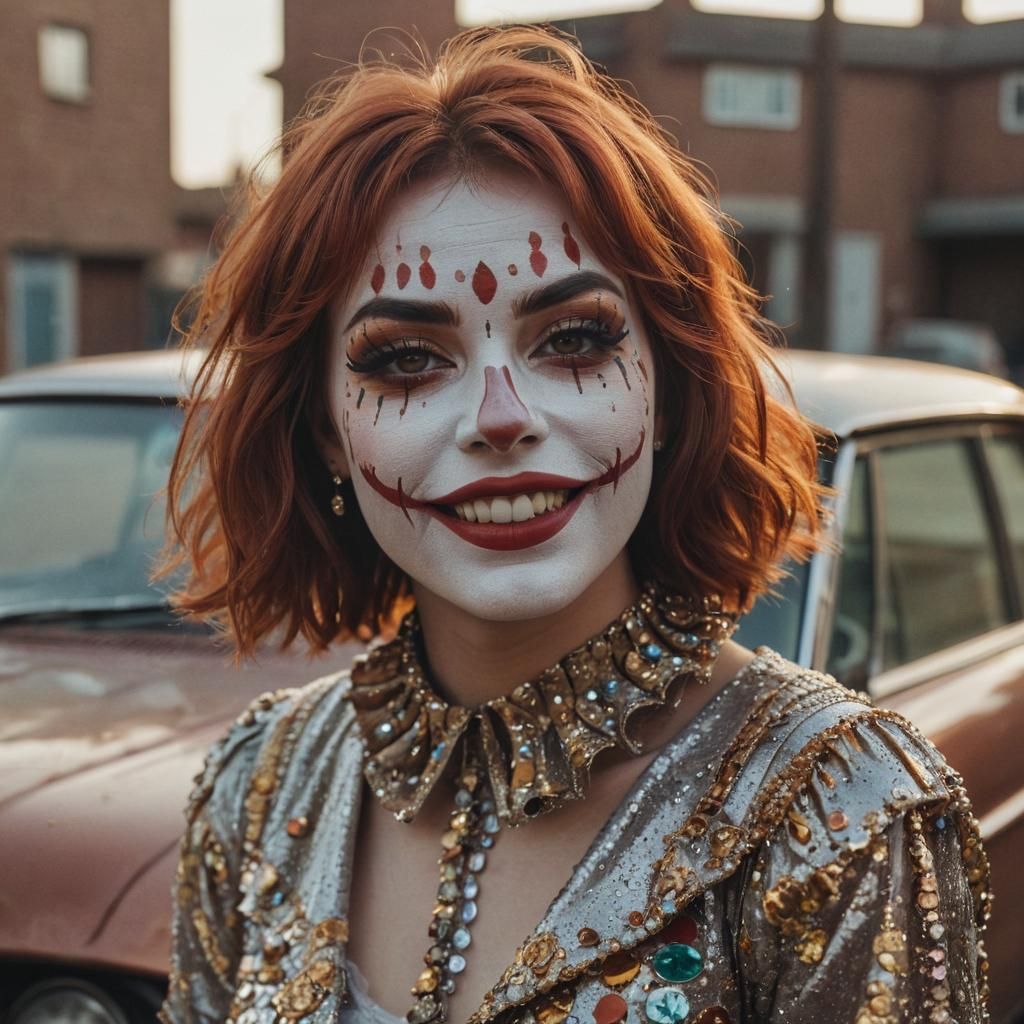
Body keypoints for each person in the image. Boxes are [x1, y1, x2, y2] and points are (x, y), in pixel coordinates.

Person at [156, 24, 990, 1024]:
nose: (501, 416)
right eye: (406, 360)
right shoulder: (256, 793)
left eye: (575, 339)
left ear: (667, 389)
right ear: (324, 430)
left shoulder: (837, 811)